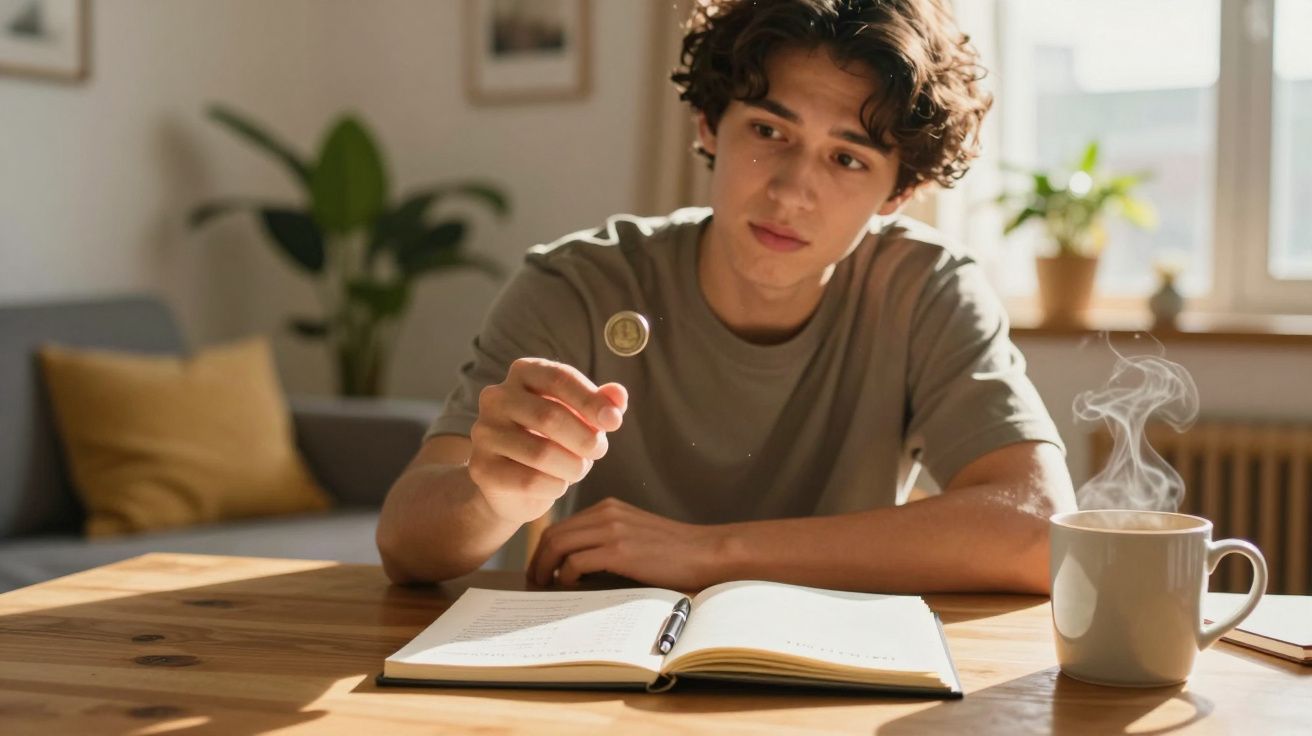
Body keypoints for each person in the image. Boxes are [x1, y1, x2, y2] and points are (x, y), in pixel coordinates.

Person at [376, 0, 1077, 594]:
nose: (790, 191)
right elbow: (406, 541)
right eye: (769, 132)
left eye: (846, 158)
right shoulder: (579, 284)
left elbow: (1040, 524)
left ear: (897, 192)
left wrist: (711, 554)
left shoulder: (926, 290)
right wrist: (491, 497)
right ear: (710, 124)